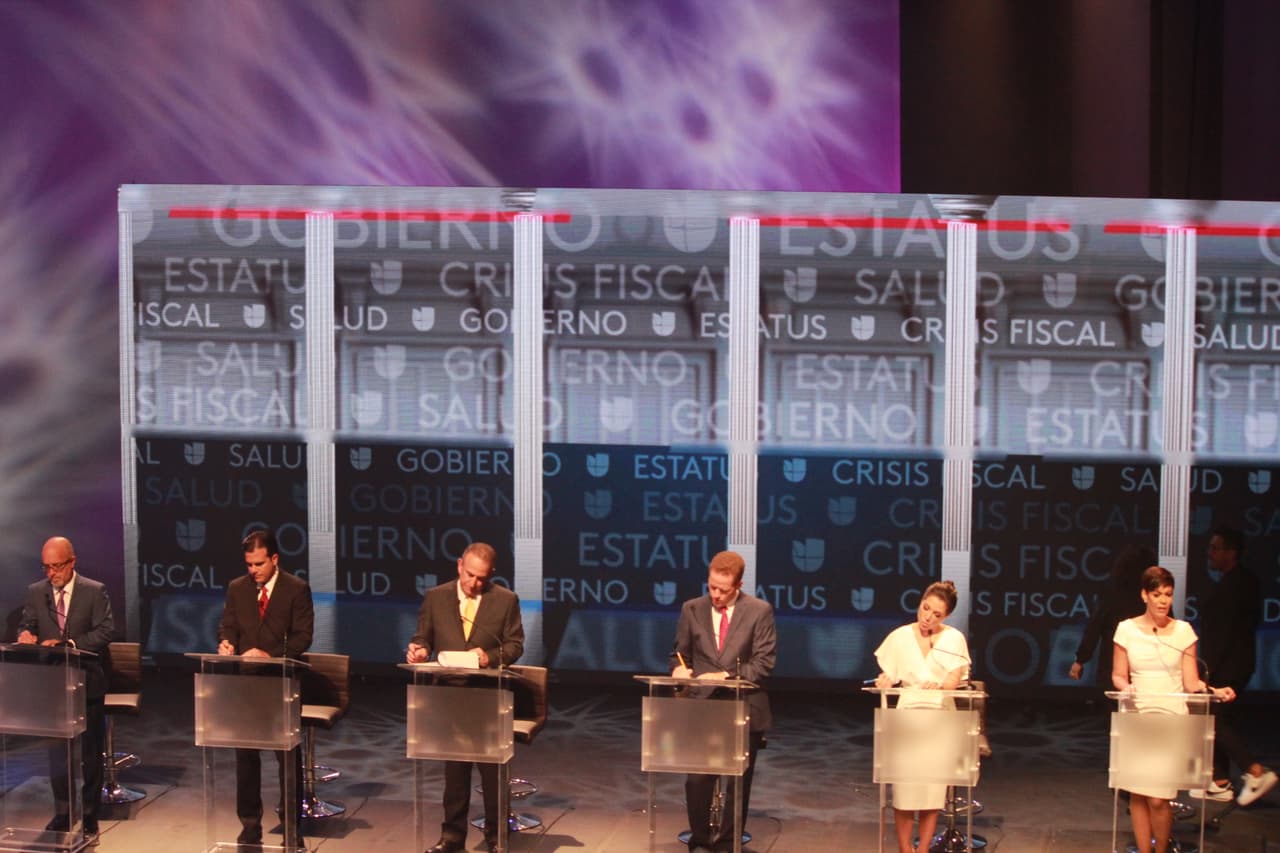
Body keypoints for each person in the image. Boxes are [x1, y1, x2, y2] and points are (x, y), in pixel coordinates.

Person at [407, 542, 524, 853]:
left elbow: (515, 645)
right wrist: (418, 649)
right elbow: (423, 637)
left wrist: (489, 657)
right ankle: (452, 838)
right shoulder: (436, 597)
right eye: (470, 575)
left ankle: (496, 838)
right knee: (455, 774)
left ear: (491, 575)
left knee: (492, 775)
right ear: (460, 566)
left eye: (482, 578)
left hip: (489, 698)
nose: (475, 583)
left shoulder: (505, 600)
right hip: (450, 698)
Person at [1112, 565, 1236, 853]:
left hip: (1170, 721)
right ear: (1144, 595)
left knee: (1158, 797)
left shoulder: (1183, 632)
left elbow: (1192, 682)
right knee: (1139, 795)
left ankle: (1162, 849)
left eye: (1168, 594)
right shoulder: (1126, 630)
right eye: (1156, 594)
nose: (1163, 600)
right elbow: (1118, 675)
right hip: (1137, 718)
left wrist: (1215, 691)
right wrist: (1124, 687)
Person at [670, 550, 777, 853]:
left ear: (739, 585)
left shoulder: (759, 611)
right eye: (711, 587)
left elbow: (763, 664)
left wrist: (724, 676)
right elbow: (679, 654)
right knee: (697, 779)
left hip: (744, 707)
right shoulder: (691, 609)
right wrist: (678, 669)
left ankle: (729, 844)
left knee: (737, 783)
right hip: (703, 708)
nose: (715, 594)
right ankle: (701, 841)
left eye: (723, 589)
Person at [216, 528, 314, 846]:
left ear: (274, 559)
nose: (253, 570)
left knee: (286, 757)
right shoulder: (237, 589)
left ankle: (291, 824)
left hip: (281, 685)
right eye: (248, 564)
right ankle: (249, 823)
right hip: (245, 687)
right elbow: (228, 624)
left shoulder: (296, 589)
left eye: (258, 564)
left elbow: (303, 637)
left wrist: (270, 655)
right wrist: (226, 643)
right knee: (245, 757)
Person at [17, 536, 114, 839]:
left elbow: (106, 630)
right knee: (57, 753)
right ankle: (63, 812)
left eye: (57, 566)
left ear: (72, 562)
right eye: (46, 567)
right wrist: (25, 634)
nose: (51, 574)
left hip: (87, 681)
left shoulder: (94, 591)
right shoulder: (37, 592)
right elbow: (27, 623)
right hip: (52, 684)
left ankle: (89, 815)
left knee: (89, 752)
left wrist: (70, 644)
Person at [872, 580, 970, 853]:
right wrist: (885, 680)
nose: (928, 616)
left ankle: (923, 848)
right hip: (906, 721)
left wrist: (940, 685)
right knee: (905, 793)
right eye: (925, 608)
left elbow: (955, 678)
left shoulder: (953, 639)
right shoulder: (900, 636)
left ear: (946, 616)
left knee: (931, 792)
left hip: (939, 721)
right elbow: (890, 675)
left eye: (936, 614)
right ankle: (905, 849)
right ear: (921, 602)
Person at [1190, 529, 1277, 806]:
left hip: (1229, 664)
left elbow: (1226, 632)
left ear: (1231, 552)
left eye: (1215, 548)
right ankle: (1220, 781)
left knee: (1215, 719)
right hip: (1234, 662)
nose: (1210, 553)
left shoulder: (1237, 585)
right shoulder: (1239, 582)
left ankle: (1255, 771)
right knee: (1219, 718)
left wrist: (1208, 671)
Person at [1069, 544, 1157, 690]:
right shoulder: (1153, 594)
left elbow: (1095, 626)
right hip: (1145, 665)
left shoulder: (1112, 592)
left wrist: (1080, 660)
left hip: (1114, 664)